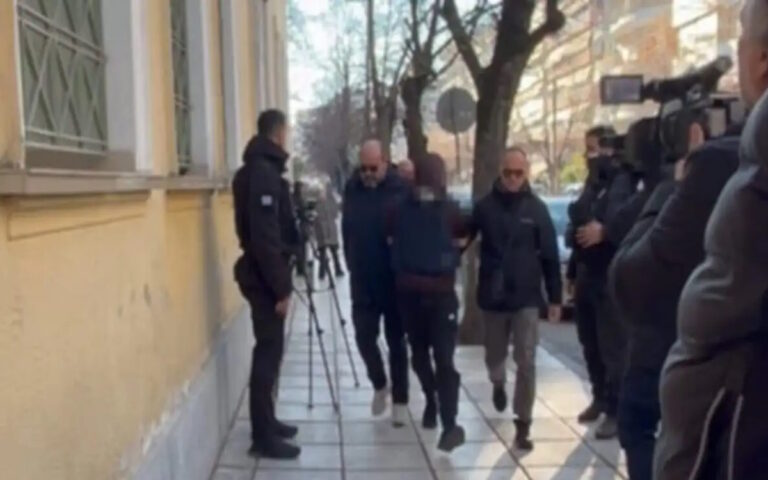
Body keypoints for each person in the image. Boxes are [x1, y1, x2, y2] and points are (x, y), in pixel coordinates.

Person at [654, 2, 768, 477]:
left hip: (732, 433)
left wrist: (676, 188)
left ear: (761, 59)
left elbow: (637, 277)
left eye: (741, 39)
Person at [466, 146, 562, 451]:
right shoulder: (484, 207)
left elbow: (550, 255)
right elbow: (463, 238)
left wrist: (555, 298)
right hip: (494, 297)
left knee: (526, 360)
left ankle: (523, 423)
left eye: (518, 173)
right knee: (494, 355)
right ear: (501, 172)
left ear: (526, 174)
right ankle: (497, 382)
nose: (512, 179)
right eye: (507, 173)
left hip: (526, 298)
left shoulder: (537, 210)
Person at [232, 109, 301, 459]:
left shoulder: (257, 169)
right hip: (263, 277)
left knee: (270, 352)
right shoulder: (262, 174)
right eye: (287, 131)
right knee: (267, 353)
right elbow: (265, 237)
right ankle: (262, 437)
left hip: (262, 273)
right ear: (278, 133)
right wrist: (281, 288)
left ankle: (267, 421)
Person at [388, 153, 468, 452]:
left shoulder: (449, 210)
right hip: (417, 295)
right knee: (423, 357)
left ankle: (449, 422)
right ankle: (434, 401)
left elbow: (463, 236)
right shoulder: (401, 209)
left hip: (435, 296)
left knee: (442, 359)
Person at [566, 129, 637, 440]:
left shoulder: (624, 181)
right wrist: (572, 272)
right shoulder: (593, 183)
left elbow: (626, 220)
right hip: (586, 270)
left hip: (610, 273)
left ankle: (616, 409)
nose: (588, 156)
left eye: (593, 149)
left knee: (613, 346)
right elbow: (578, 221)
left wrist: (606, 231)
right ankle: (599, 396)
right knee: (589, 340)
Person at [342, 139, 410, 426]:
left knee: (397, 343)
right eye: (364, 168)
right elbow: (347, 228)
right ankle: (380, 384)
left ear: (385, 162)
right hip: (363, 278)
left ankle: (401, 401)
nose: (368, 174)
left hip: (393, 280)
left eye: (373, 168)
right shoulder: (352, 188)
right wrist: (349, 261)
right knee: (363, 337)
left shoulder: (401, 190)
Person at [314, 180, 344, 279]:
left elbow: (335, 214)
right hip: (322, 231)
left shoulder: (330, 201)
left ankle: (337, 270)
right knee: (323, 253)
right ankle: (322, 272)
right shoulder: (317, 203)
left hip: (330, 230)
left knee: (334, 252)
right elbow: (317, 217)